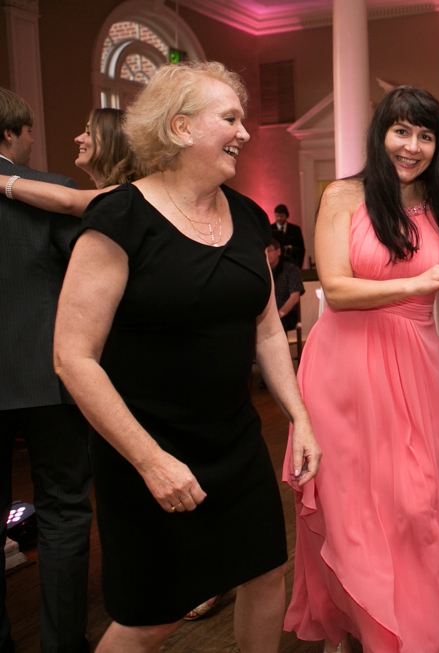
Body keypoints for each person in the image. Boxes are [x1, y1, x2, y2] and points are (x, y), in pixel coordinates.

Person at [52, 61, 321, 653]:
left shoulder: (248, 215)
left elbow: (267, 329)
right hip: (145, 449)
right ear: (178, 128)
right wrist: (152, 462)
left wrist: (299, 416)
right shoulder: (119, 216)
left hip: (235, 441)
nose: (245, 132)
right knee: (155, 617)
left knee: (265, 573)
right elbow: (74, 358)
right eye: (229, 118)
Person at [284, 86, 439, 653]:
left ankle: (415, 628)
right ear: (380, 134)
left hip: (416, 365)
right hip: (344, 368)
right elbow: (334, 287)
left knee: (414, 504)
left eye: (426, 135)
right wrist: (416, 284)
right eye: (401, 131)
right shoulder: (343, 195)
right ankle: (361, 622)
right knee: (352, 505)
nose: (412, 145)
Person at [0, 87, 93, 653]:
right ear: (11, 132)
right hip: (46, 373)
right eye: (30, 131)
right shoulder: (54, 193)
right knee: (62, 509)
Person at [0, 107, 144, 217]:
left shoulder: (128, 194)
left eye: (89, 132)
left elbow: (68, 201)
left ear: (113, 142)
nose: (78, 138)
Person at [267, 237, 305, 332]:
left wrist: (279, 314)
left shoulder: (290, 269)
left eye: (269, 250)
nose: (266, 254)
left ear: (278, 251)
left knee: (276, 325)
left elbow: (294, 297)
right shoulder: (263, 271)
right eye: (264, 251)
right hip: (267, 315)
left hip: (286, 314)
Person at [270, 203, 305, 267]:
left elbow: (301, 249)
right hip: (275, 264)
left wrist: (299, 265)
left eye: (281, 216)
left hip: (292, 262)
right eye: (277, 216)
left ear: (286, 215)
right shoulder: (270, 229)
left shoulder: (295, 229)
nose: (279, 218)